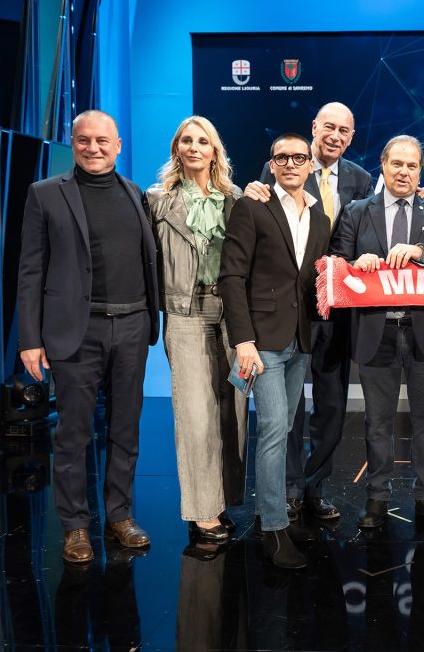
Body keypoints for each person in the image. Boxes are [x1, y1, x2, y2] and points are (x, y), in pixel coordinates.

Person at [17, 110, 159, 563]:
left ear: (118, 145)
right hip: (77, 331)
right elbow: (30, 270)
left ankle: (120, 515)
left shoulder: (135, 193)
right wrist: (29, 338)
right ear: (73, 142)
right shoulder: (45, 194)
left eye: (102, 141)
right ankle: (75, 526)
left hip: (133, 325)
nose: (93, 148)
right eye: (84, 140)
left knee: (126, 428)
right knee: (73, 434)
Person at [329, 135, 424, 529]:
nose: (404, 172)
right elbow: (336, 262)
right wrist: (357, 264)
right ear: (383, 166)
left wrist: (422, 252)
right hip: (376, 331)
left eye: (412, 166)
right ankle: (377, 497)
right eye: (397, 164)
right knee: (377, 421)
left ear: (420, 171)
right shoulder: (357, 211)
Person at [244, 102, 372, 522]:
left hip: (337, 310)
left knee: (332, 407)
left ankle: (316, 487)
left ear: (351, 138)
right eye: (328, 127)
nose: (335, 136)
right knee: (289, 408)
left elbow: (371, 226)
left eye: (344, 131)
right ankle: (290, 489)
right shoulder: (282, 169)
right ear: (314, 127)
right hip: (290, 308)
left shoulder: (361, 179)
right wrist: (248, 192)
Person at [218, 133, 329, 569]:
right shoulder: (252, 207)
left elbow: (316, 276)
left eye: (299, 157)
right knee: (274, 428)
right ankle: (273, 529)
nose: (290, 164)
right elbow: (231, 276)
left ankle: (275, 515)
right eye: (281, 157)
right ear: (271, 164)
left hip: (300, 341)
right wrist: (243, 341)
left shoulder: (319, 218)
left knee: (284, 430)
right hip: (261, 343)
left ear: (310, 165)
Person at [147, 116, 248, 543]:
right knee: (196, 416)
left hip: (232, 314)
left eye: (202, 141)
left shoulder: (236, 199)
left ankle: (222, 500)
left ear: (214, 150)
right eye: (186, 140)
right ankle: (202, 511)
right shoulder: (157, 200)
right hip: (185, 313)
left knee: (233, 413)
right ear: (177, 149)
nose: (194, 147)